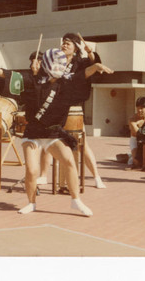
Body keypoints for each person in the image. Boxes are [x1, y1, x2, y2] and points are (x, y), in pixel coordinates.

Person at [0, 48, 113, 216]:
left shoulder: (66, 83)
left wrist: (96, 65)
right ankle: (31, 203)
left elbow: (84, 74)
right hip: (33, 133)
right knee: (32, 170)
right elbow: (10, 75)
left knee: (69, 161)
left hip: (52, 134)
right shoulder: (33, 82)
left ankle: (76, 201)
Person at [37, 33, 107, 190]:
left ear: (76, 47)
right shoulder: (56, 62)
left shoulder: (80, 63)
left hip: (73, 106)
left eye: (68, 43)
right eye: (63, 43)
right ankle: (42, 175)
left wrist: (90, 53)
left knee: (83, 145)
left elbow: (94, 67)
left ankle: (96, 177)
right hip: (56, 105)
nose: (64, 45)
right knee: (48, 141)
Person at [126, 97, 145, 171]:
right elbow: (138, 134)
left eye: (142, 108)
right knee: (136, 162)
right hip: (136, 140)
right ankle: (131, 157)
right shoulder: (132, 119)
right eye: (138, 108)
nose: (139, 110)